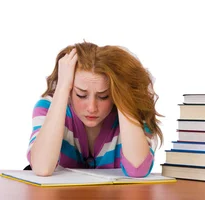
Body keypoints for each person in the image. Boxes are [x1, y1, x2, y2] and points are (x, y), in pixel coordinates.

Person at [27, 41, 163, 178]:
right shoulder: (48, 107)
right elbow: (42, 167)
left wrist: (124, 94)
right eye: (81, 95)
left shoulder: (131, 111)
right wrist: (62, 87)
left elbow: (137, 170)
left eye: (103, 96)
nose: (92, 108)